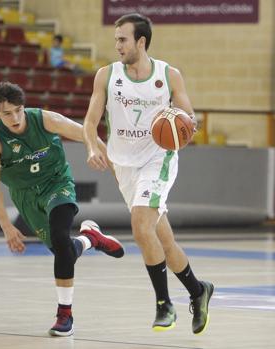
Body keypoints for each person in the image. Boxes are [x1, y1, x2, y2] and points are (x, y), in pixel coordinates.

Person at [82, 13, 213, 334]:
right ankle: (199, 290)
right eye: (116, 40)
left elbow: (190, 120)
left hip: (159, 159)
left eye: (123, 40)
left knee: (141, 226)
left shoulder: (169, 76)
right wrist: (91, 146)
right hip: (123, 165)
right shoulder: (106, 75)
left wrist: (183, 125)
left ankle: (164, 304)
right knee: (162, 241)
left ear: (141, 41)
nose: (117, 46)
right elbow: (89, 121)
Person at [0, 81, 125, 337]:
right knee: (64, 252)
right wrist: (6, 226)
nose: (14, 118)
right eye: (7, 113)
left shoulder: (44, 119)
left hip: (57, 184)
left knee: (60, 240)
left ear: (23, 107)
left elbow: (86, 132)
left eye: (18, 110)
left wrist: (103, 159)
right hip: (27, 197)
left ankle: (64, 314)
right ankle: (91, 238)